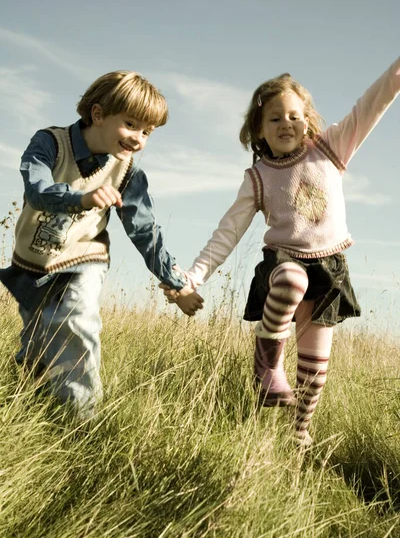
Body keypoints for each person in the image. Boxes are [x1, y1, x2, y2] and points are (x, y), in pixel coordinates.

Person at [161, 57, 400, 446]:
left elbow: (373, 101)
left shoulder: (331, 148)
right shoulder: (258, 177)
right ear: (258, 128)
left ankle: (300, 432)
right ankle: (266, 363)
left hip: (329, 269)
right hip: (284, 262)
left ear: (308, 119)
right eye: (274, 118)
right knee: (291, 279)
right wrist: (192, 275)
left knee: (316, 364)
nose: (286, 123)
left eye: (294, 115)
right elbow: (228, 232)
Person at [0, 70, 203, 420]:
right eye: (131, 124)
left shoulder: (127, 175)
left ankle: (83, 424)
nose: (138, 138)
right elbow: (35, 190)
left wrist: (177, 283)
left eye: (147, 132)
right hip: (31, 264)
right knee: (36, 351)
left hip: (84, 258)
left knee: (78, 321)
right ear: (98, 114)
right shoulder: (49, 143)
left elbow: (146, 233)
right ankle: (29, 409)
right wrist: (81, 199)